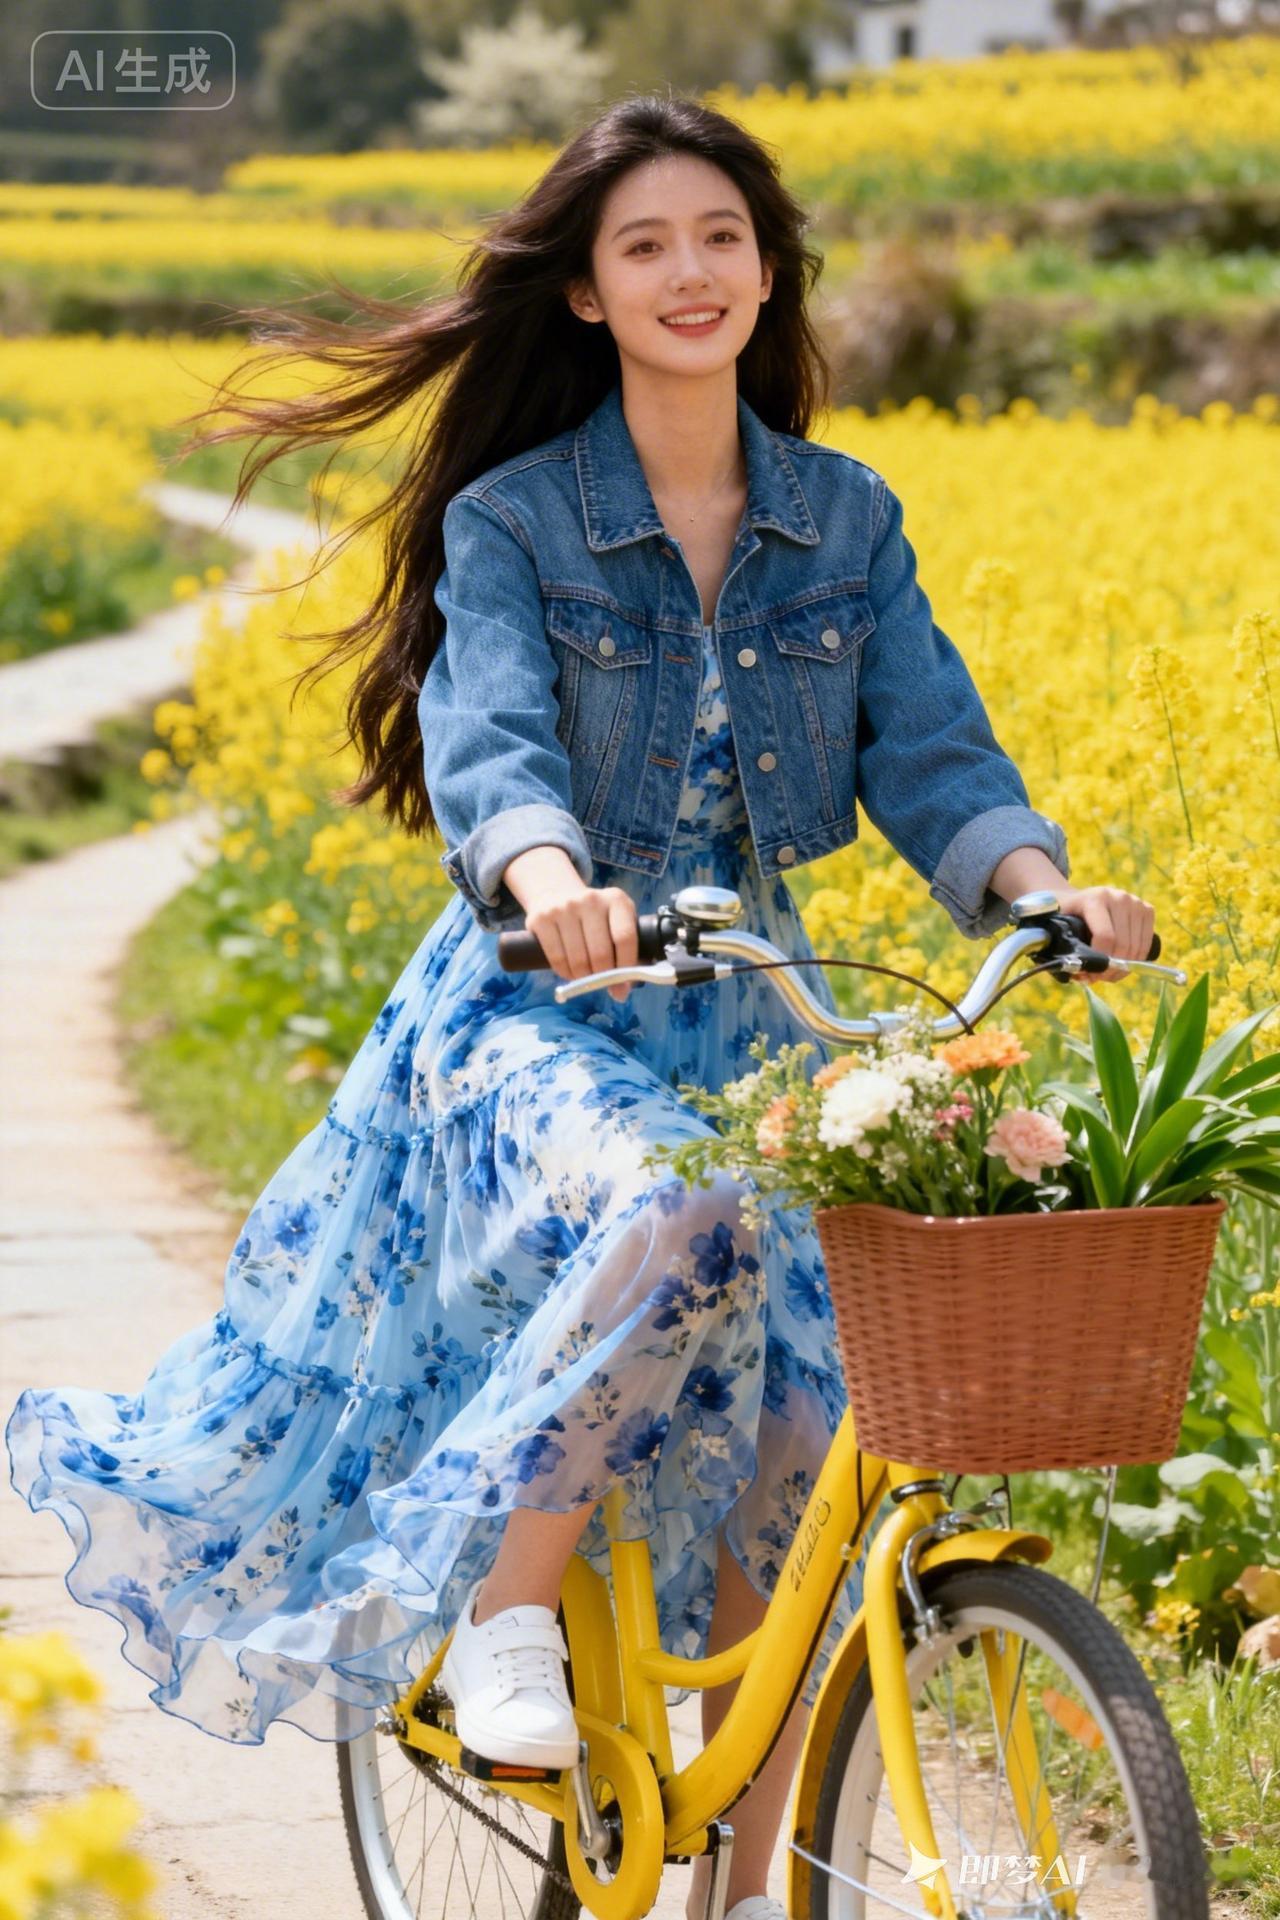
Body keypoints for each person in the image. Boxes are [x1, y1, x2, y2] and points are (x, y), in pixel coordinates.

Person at [5, 91, 1155, 1920]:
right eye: (645, 246)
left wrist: (1042, 890)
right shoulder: (517, 521)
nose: (691, 273)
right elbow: (492, 744)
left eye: (721, 238)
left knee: (812, 1419)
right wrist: (552, 881)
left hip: (746, 1009)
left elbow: (935, 751)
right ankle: (505, 1613)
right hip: (535, 1009)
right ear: (587, 294)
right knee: (686, 1206)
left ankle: (750, 1881)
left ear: (766, 272)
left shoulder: (845, 519)